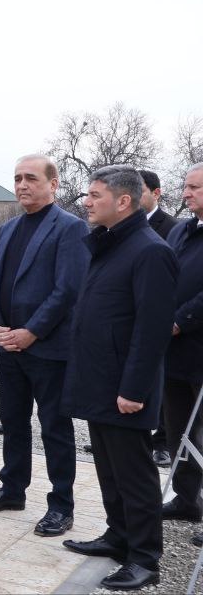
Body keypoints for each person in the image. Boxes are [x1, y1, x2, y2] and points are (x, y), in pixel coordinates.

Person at [61, 165, 176, 591]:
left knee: (134, 473)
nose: (86, 202)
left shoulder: (150, 251)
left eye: (94, 195)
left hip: (124, 387)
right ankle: (118, 535)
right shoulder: (109, 245)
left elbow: (151, 330)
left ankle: (145, 558)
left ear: (123, 201)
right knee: (108, 468)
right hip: (97, 377)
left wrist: (134, 389)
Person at [0, 154, 88, 537]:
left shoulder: (70, 229)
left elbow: (67, 290)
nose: (22, 185)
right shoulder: (8, 229)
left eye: (31, 178)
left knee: (54, 427)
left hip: (48, 348)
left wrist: (31, 331)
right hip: (7, 346)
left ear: (53, 185)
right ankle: (12, 490)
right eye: (18, 178)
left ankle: (61, 505)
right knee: (13, 423)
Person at [163, 164, 203, 531]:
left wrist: (180, 319)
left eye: (193, 188)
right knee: (178, 426)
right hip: (173, 352)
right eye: (186, 186)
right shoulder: (183, 231)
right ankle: (187, 497)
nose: (186, 193)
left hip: (197, 345)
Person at [140, 168, 180, 467]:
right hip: (132, 315)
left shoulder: (172, 228)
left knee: (163, 382)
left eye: (140, 189)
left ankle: (162, 441)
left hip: (162, 315)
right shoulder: (116, 227)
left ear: (156, 193)